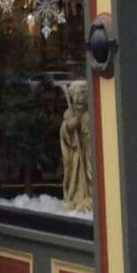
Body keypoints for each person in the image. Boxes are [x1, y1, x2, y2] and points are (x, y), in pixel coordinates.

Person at [59, 79, 92, 212]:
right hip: (76, 155)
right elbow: (63, 133)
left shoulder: (90, 115)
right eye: (76, 96)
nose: (79, 99)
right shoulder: (69, 115)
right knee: (75, 178)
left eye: (82, 95)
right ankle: (76, 198)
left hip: (88, 153)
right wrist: (69, 126)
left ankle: (89, 197)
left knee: (89, 175)